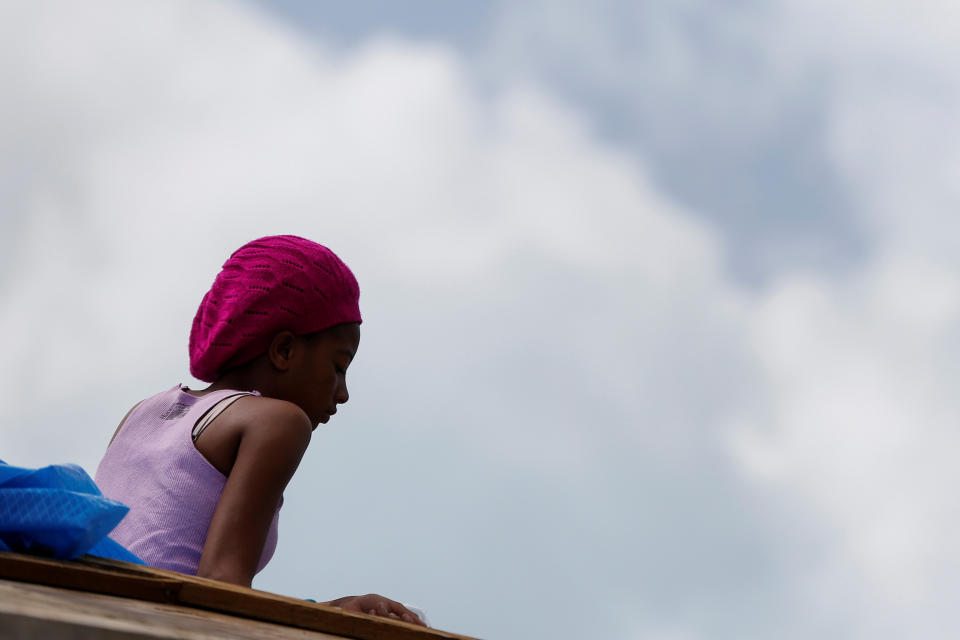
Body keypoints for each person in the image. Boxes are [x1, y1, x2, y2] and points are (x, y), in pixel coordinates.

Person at [94, 235, 425, 625]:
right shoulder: (278, 422)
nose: (343, 393)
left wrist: (333, 608)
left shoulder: (145, 411)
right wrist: (336, 622)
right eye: (338, 367)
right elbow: (220, 589)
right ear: (283, 350)